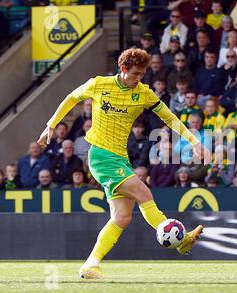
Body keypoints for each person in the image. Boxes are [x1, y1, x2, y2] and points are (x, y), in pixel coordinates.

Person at [37, 48, 209, 279]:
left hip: (120, 158)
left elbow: (169, 118)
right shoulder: (99, 84)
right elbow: (71, 98)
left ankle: (90, 265)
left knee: (122, 217)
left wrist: (194, 142)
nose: (139, 78)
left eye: (143, 74)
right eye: (136, 73)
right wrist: (51, 124)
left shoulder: (144, 93)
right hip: (100, 156)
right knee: (143, 192)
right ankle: (181, 240)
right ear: (123, 69)